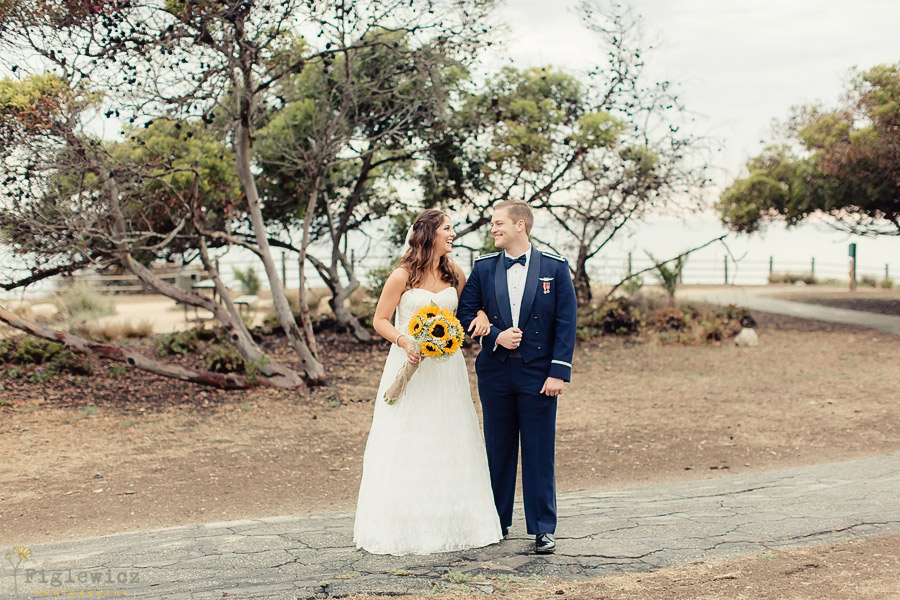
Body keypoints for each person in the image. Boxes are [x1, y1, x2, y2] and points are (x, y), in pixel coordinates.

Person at [353, 209, 502, 555]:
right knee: (409, 437)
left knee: (449, 436)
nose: (453, 234)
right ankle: (405, 525)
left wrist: (478, 316)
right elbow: (380, 320)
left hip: (446, 370)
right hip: (409, 363)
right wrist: (404, 341)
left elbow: (467, 311)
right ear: (430, 233)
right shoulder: (401, 276)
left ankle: (454, 520)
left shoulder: (455, 273)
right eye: (448, 228)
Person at [458, 200, 577, 555]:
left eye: (498, 224)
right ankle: (497, 520)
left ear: (520, 226)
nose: (493, 229)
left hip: (539, 374)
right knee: (498, 448)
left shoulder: (555, 268)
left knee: (539, 451)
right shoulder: (483, 268)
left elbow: (566, 323)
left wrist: (558, 372)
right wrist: (494, 334)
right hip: (495, 373)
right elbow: (465, 312)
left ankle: (543, 528)